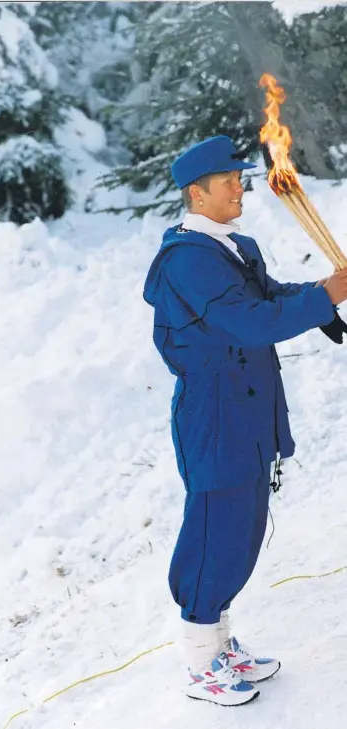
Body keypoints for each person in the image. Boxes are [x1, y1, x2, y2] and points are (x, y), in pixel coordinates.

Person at [142, 135, 347, 707]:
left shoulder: (232, 246)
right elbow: (249, 323)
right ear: (195, 193)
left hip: (249, 407)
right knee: (215, 536)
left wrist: (321, 296)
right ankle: (201, 664)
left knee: (242, 534)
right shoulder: (187, 260)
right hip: (217, 416)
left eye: (241, 176)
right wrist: (324, 296)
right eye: (229, 180)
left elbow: (271, 298)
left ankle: (220, 643)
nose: (241, 187)